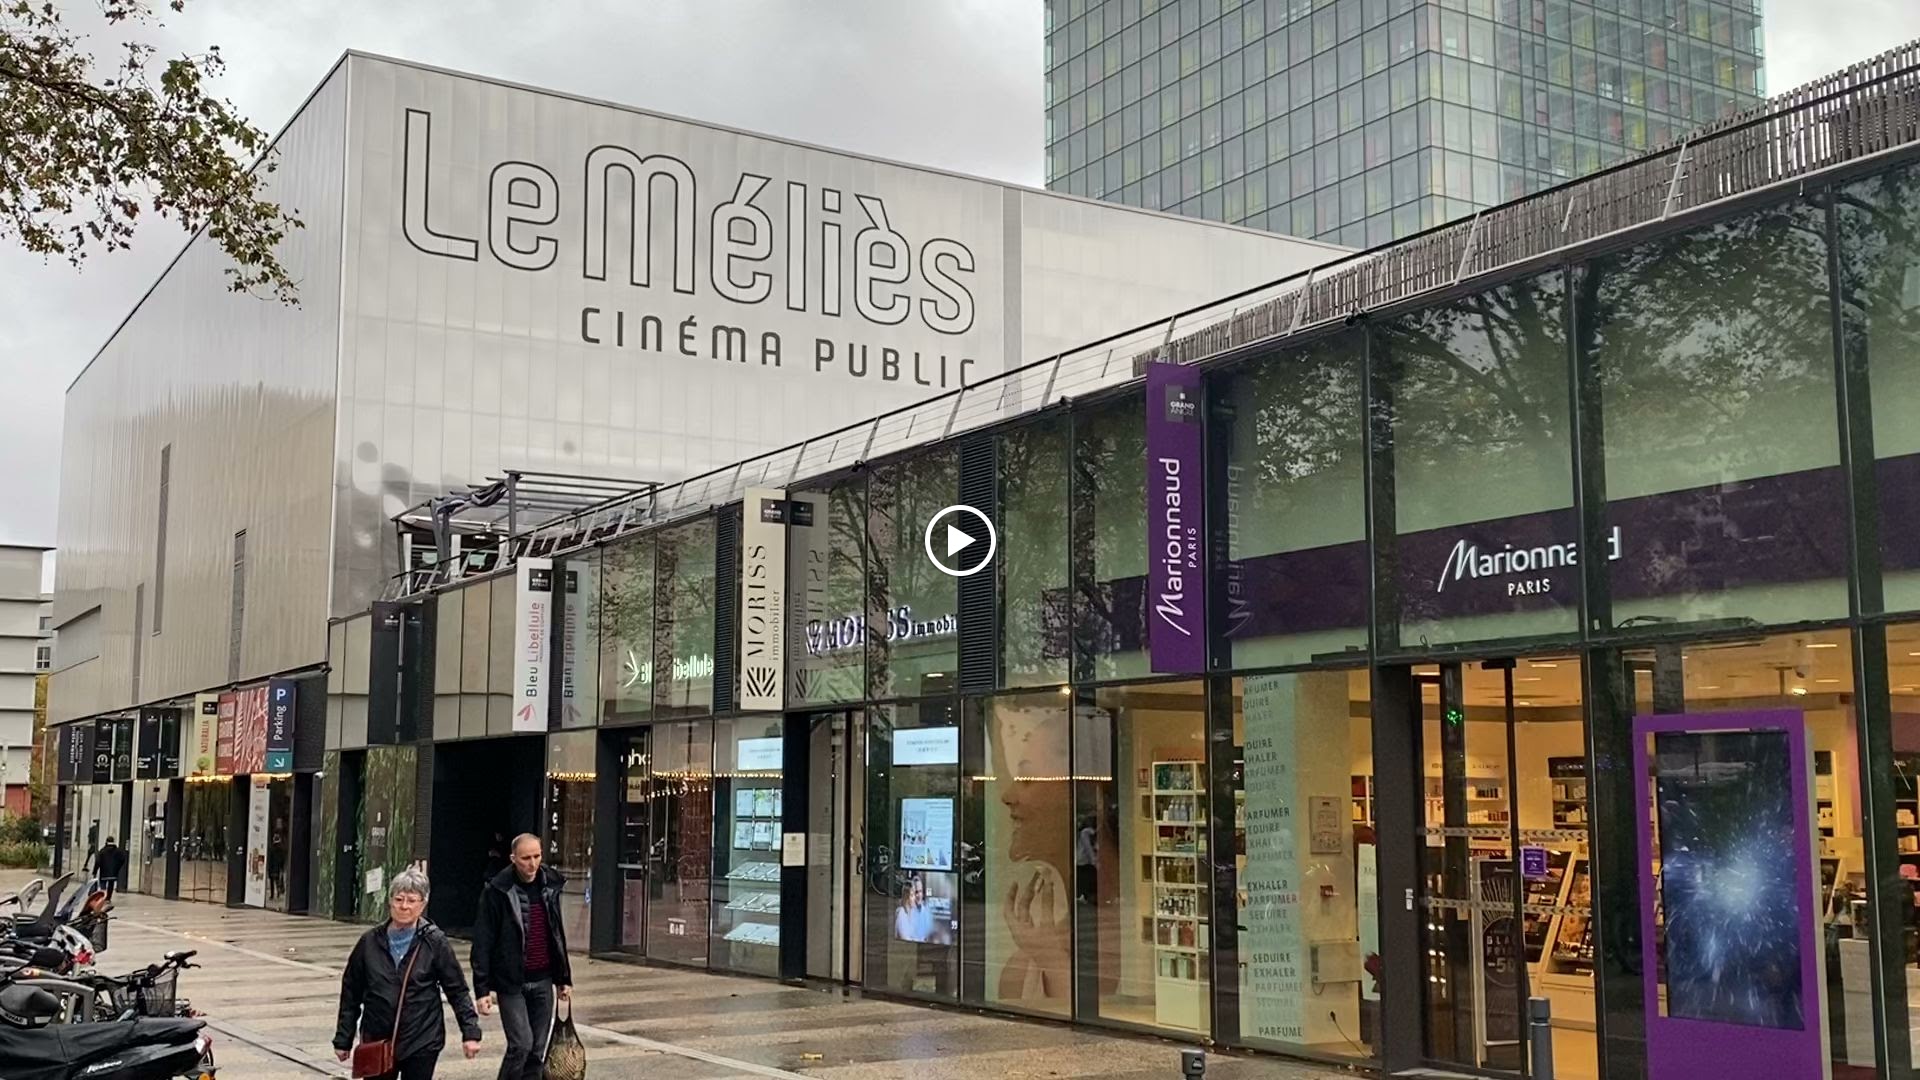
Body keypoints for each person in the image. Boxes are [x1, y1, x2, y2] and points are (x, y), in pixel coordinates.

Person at [333, 869, 482, 1080]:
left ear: (423, 904)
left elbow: (457, 990)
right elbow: (351, 993)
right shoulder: (369, 942)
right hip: (378, 1039)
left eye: (412, 900)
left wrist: (470, 1032)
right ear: (390, 901)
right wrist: (343, 1038)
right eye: (399, 899)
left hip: (422, 1038)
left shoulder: (434, 942)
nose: (404, 906)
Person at [472, 834, 573, 1080]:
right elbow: (483, 940)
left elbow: (556, 933)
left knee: (537, 1050)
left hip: (543, 978)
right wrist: (482, 989)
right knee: (521, 1045)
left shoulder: (549, 885)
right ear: (513, 858)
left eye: (537, 856)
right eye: (526, 858)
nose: (533, 863)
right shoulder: (497, 890)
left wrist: (563, 978)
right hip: (511, 981)